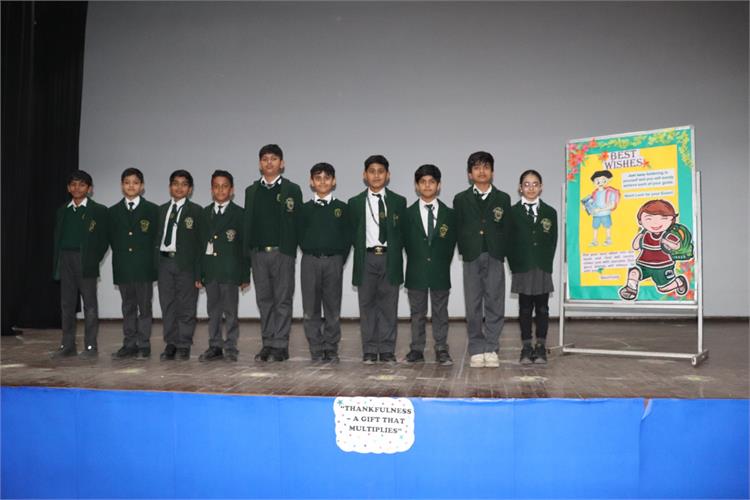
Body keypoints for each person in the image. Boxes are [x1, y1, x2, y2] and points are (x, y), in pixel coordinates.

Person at [242, 144, 302, 362]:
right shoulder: (251, 191)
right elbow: (248, 224)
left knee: (282, 300)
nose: (269, 162)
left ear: (282, 163)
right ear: (260, 164)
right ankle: (267, 343)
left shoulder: (292, 189)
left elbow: (297, 222)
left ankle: (281, 345)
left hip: (282, 253)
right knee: (264, 300)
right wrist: (247, 255)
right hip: (258, 254)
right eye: (265, 159)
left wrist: (291, 250)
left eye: (274, 159)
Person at [453, 151, 512, 368]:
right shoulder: (461, 199)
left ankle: (492, 347)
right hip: (472, 256)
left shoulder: (503, 198)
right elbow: (458, 228)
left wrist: (502, 250)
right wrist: (465, 249)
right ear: (470, 174)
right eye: (477, 167)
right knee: (473, 304)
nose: (481, 171)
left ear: (492, 172)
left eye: (486, 167)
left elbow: (507, 228)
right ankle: (477, 348)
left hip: (495, 255)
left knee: (495, 302)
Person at [348, 155, 406, 365]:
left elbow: (403, 233)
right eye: (371, 171)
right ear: (364, 175)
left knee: (389, 306)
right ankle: (370, 350)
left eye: (380, 171)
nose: (376, 175)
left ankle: (388, 350)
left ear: (388, 175)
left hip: (390, 258)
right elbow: (351, 233)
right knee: (367, 306)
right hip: (366, 258)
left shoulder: (399, 201)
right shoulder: (355, 203)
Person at [402, 164, 457, 366]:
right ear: (416, 186)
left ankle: (441, 348)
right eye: (423, 182)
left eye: (431, 182)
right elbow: (404, 242)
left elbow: (451, 244)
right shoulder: (407, 214)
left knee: (440, 312)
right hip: (416, 271)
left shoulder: (449, 214)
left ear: (438, 185)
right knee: (417, 313)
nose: (427, 186)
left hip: (440, 271)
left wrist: (441, 262)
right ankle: (416, 349)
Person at [297, 162, 352, 363]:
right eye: (318, 178)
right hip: (310, 262)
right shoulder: (303, 209)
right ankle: (315, 347)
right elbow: (299, 235)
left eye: (327, 178)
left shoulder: (342, 208)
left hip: (333, 262)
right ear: (311, 182)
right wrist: (311, 250)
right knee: (310, 308)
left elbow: (347, 237)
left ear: (333, 181)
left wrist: (338, 260)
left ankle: (331, 347)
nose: (322, 182)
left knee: (332, 308)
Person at [50, 170, 108, 359]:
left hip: (85, 260)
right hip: (65, 259)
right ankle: (67, 345)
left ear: (89, 189)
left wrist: (92, 258)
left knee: (89, 305)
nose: (77, 188)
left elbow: (104, 240)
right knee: (66, 304)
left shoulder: (98, 210)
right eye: (73, 184)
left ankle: (91, 346)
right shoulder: (63, 210)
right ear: (68, 188)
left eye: (82, 184)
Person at [196, 170, 250, 362]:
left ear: (232, 190)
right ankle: (215, 346)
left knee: (231, 312)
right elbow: (199, 246)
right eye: (216, 187)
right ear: (211, 190)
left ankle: (231, 346)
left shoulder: (240, 214)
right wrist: (199, 274)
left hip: (230, 271)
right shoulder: (204, 213)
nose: (220, 190)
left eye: (224, 186)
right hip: (211, 270)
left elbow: (244, 247)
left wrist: (245, 275)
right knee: (213, 311)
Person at [109, 167, 160, 360]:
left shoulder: (152, 210)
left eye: (135, 183)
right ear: (122, 185)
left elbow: (156, 238)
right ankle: (129, 344)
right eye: (127, 182)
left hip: (144, 267)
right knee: (128, 307)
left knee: (144, 308)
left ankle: (144, 344)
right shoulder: (113, 211)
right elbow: (112, 239)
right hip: (123, 266)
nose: (131, 186)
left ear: (142, 186)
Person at [508, 169, 557, 364]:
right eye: (526, 184)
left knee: (543, 308)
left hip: (542, 266)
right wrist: (515, 265)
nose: (531, 188)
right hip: (522, 267)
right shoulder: (512, 212)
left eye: (535, 184)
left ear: (541, 187)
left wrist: (546, 262)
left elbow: (552, 241)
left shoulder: (550, 212)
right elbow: (508, 242)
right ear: (520, 188)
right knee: (525, 308)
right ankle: (527, 346)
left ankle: (541, 346)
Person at [156, 170, 203, 361]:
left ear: (190, 189)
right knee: (167, 305)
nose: (179, 187)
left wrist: (199, 273)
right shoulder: (160, 210)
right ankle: (171, 343)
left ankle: (184, 344)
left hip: (186, 265)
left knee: (186, 306)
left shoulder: (197, 211)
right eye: (175, 183)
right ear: (170, 187)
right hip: (164, 262)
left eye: (184, 184)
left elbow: (200, 245)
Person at [619, 199, 689, 300]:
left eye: (663, 218)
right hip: (644, 264)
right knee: (634, 272)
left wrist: (666, 242)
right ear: (640, 221)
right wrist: (639, 237)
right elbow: (635, 246)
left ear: (671, 220)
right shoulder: (644, 234)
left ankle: (679, 282)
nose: (655, 223)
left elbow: (677, 246)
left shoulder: (667, 235)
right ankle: (631, 290)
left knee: (663, 289)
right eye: (649, 219)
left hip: (662, 266)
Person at [584, 170, 620, 247]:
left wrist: (601, 210)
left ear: (608, 180)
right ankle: (595, 240)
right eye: (597, 181)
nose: (600, 183)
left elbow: (612, 205)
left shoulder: (610, 192)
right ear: (593, 183)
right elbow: (592, 204)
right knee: (595, 227)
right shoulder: (594, 193)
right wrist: (586, 207)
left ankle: (608, 239)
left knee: (607, 227)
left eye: (603, 180)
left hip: (605, 214)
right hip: (596, 215)